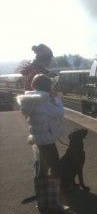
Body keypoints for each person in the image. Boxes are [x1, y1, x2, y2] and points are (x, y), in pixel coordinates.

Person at [17, 74, 66, 213]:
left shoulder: (30, 99)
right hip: (47, 140)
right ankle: (54, 204)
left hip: (38, 139)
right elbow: (59, 113)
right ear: (47, 86)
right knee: (56, 170)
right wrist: (57, 98)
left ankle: (42, 202)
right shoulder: (43, 99)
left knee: (41, 172)